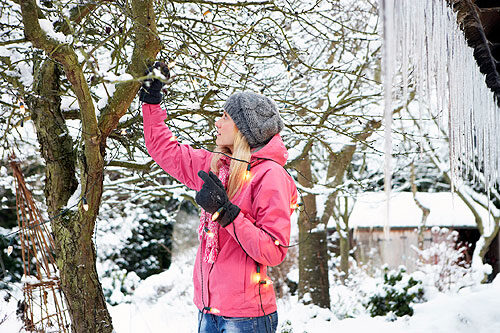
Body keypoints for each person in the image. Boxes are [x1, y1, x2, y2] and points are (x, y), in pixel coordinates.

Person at [139, 62, 298, 333]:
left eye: (224, 116)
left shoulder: (270, 175)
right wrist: (152, 102)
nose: (217, 121)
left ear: (242, 129)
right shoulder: (215, 165)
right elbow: (164, 149)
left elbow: (273, 250)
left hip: (247, 319)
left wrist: (227, 213)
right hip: (207, 312)